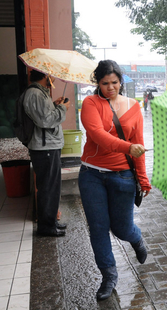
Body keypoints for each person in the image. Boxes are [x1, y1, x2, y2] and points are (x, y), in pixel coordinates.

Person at [78, 60, 152, 301]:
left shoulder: (134, 106)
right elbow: (97, 136)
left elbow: (138, 143)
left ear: (121, 81)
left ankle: (136, 238)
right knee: (98, 228)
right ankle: (109, 276)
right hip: (92, 175)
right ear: (97, 83)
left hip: (123, 176)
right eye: (104, 83)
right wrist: (129, 147)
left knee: (121, 228)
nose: (110, 87)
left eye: (114, 82)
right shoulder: (90, 103)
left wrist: (142, 178)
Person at [24, 70, 70, 237]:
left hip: (48, 147)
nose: (54, 78)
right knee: (48, 188)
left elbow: (45, 115)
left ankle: (50, 222)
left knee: (50, 187)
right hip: (45, 148)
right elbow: (46, 121)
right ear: (46, 76)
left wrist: (55, 106)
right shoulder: (36, 93)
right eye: (51, 75)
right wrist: (62, 109)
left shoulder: (39, 93)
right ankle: (46, 227)